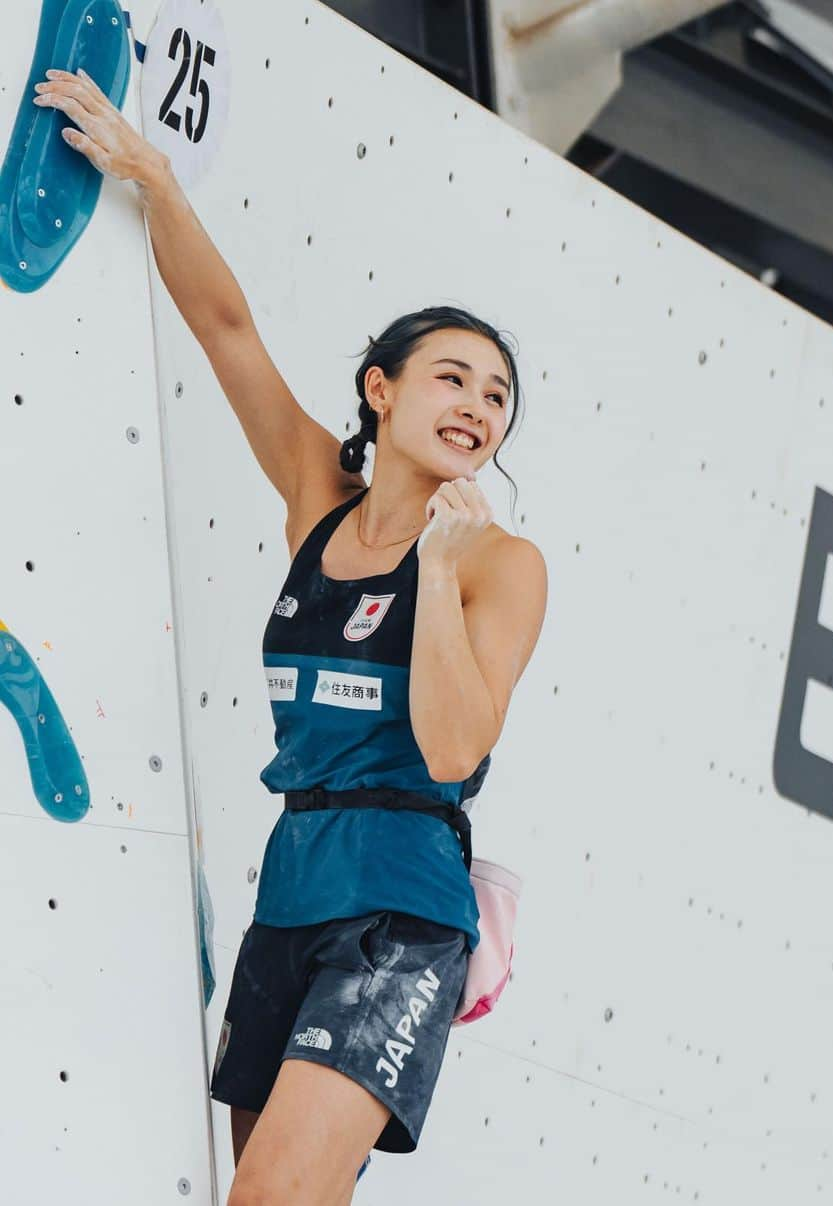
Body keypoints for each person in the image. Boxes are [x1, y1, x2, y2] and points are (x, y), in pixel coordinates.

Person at [35, 68, 548, 1204]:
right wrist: (157, 179)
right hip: (292, 891)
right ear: (381, 389)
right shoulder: (320, 494)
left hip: (403, 909)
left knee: (268, 1202)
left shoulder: (501, 564)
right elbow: (228, 333)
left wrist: (439, 572)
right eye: (451, 376)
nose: (477, 404)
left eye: (498, 395)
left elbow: (457, 749)